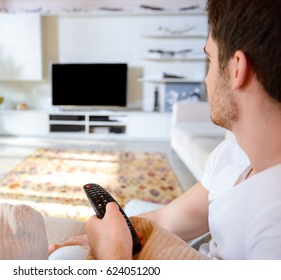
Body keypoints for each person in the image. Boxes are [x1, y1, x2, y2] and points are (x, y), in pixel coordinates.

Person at [49, 0, 281, 260]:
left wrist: (111, 253)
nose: (206, 79)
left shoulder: (274, 220)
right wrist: (113, 235)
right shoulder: (234, 152)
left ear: (237, 68)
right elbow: (168, 218)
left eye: (209, 59)